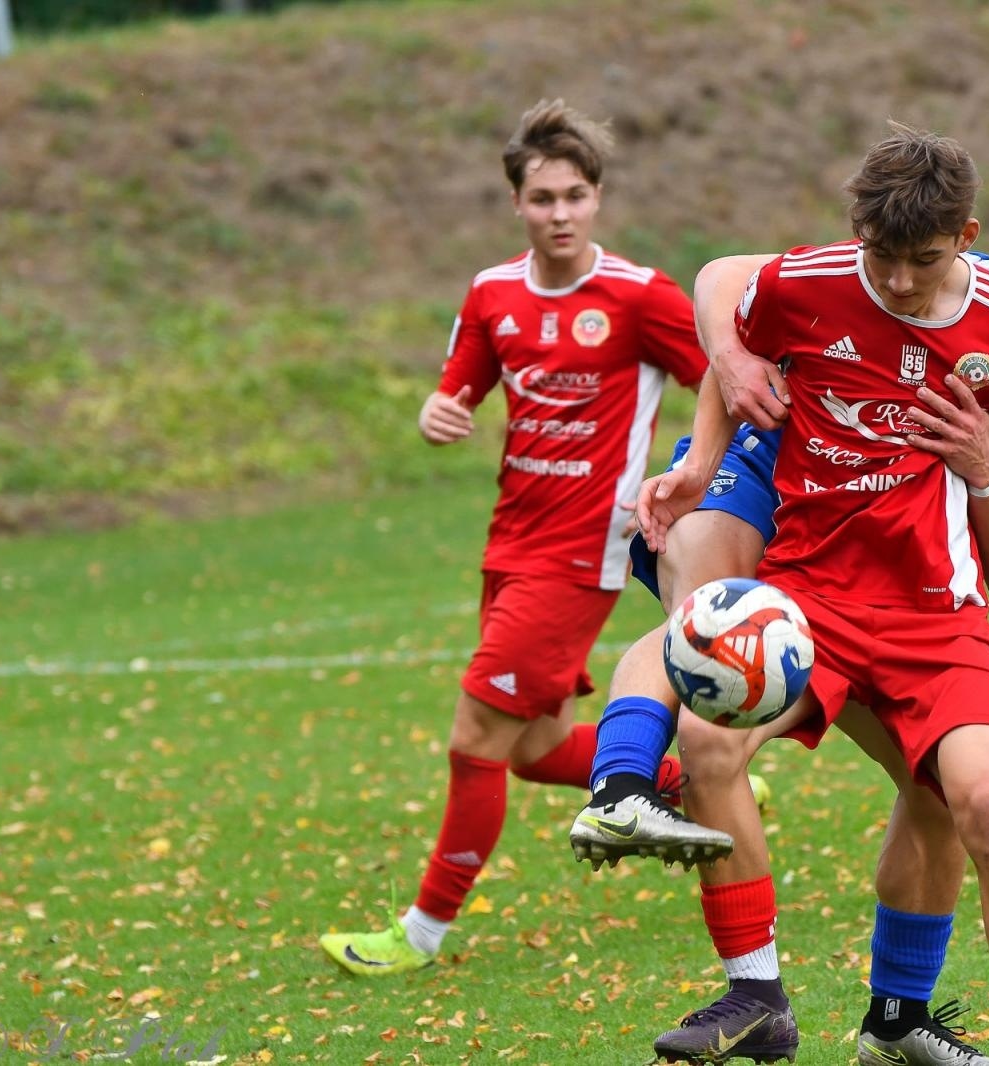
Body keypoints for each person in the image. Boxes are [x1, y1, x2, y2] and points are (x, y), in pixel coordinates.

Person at [578, 130, 989, 1066]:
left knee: (980, 801)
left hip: (935, 610)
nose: (896, 281)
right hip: (807, 571)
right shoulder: (823, 280)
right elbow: (730, 285)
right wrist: (704, 437)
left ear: (961, 240)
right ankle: (748, 982)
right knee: (707, 689)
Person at [317, 98, 707, 975]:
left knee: (473, 742)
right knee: (530, 751)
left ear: (597, 198)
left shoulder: (642, 297)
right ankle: (691, 783)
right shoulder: (493, 295)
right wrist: (434, 413)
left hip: (581, 556)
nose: (560, 214)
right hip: (508, 548)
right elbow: (456, 392)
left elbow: (722, 383)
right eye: (542, 199)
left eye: (575, 195)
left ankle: (418, 937)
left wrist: (688, 474)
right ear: (517, 203)